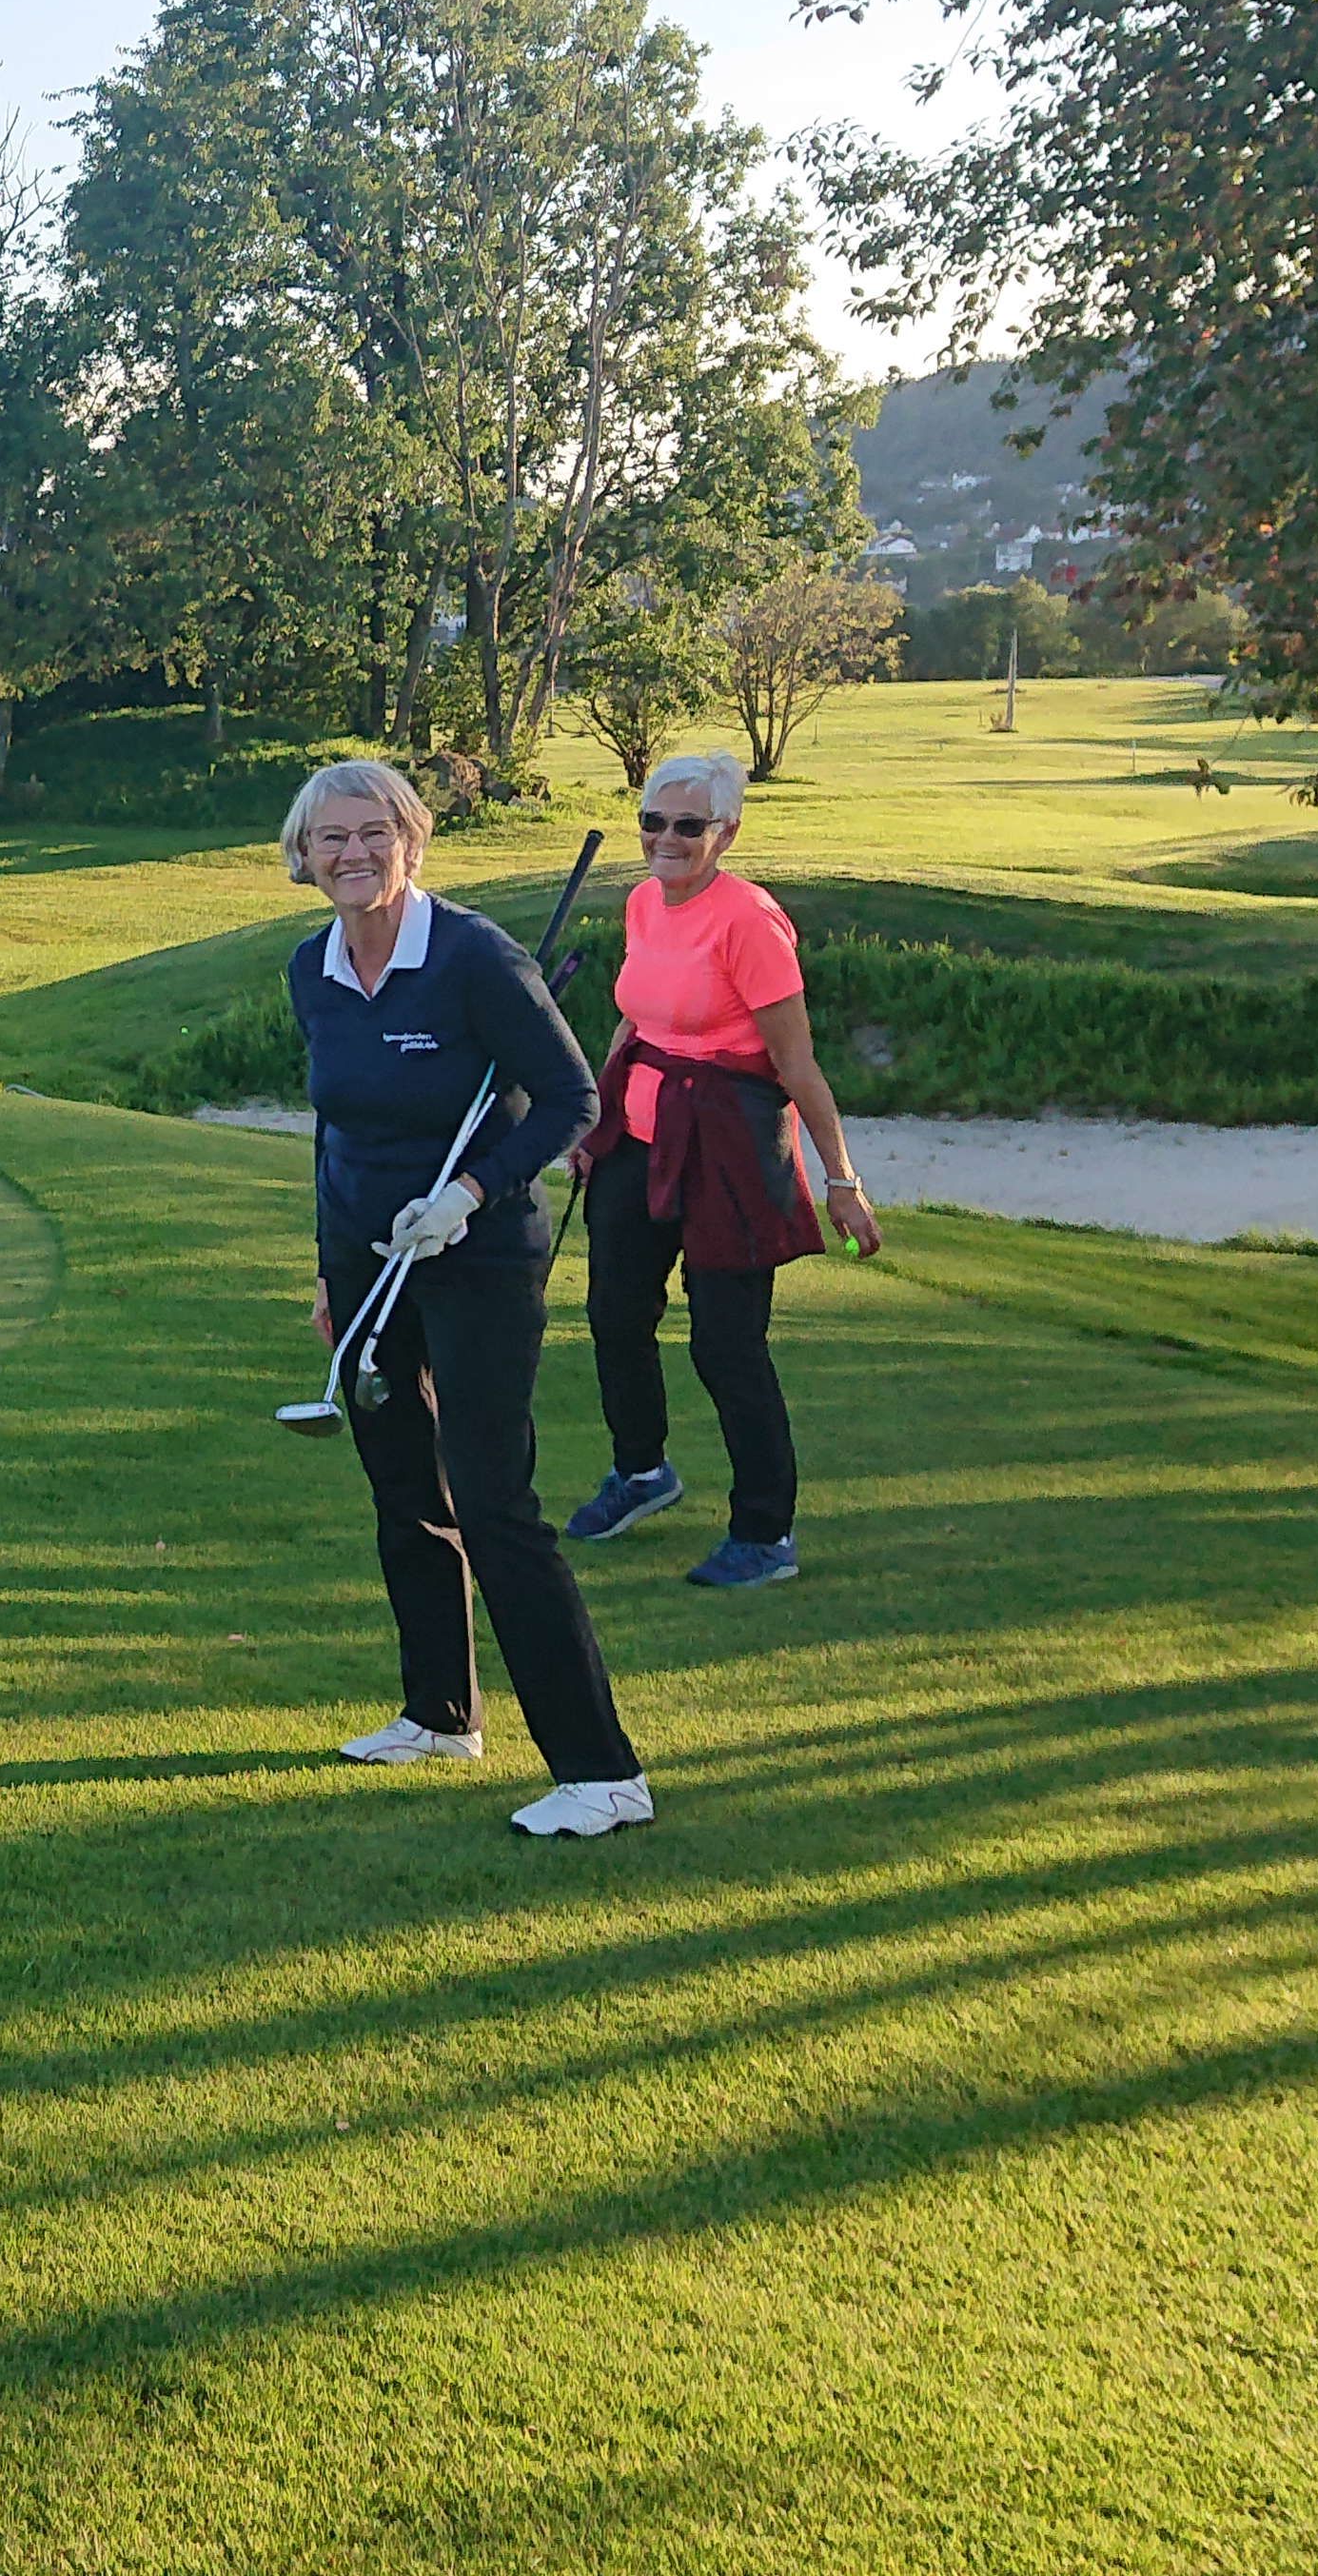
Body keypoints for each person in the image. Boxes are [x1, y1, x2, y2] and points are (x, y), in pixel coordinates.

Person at [283, 758, 653, 1839]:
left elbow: (573, 1098)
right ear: (301, 858)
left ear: (409, 838)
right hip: (367, 1256)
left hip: (477, 1253)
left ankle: (600, 1771)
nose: (350, 854)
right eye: (328, 839)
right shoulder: (310, 969)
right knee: (401, 1485)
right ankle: (439, 1713)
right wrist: (328, 1267)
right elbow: (334, 1133)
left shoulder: (473, 958)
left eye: (370, 833)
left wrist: (470, 1190)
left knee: (492, 1500)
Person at [560, 749, 881, 1587]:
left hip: (730, 1145)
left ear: (726, 831)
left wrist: (840, 1179)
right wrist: (591, 1124)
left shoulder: (750, 922)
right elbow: (635, 1024)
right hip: (638, 1134)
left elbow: (798, 1064)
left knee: (726, 1346)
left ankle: (765, 1534)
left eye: (688, 825)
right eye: (653, 822)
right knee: (614, 1315)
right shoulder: (641, 903)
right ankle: (641, 1472)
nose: (666, 838)